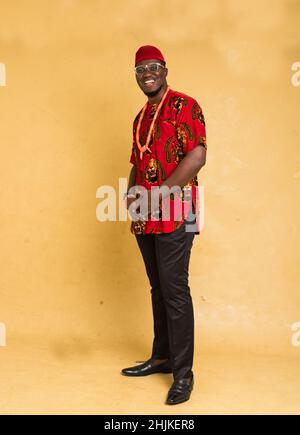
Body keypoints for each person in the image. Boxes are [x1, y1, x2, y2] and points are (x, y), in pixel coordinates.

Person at [122, 45, 207, 405]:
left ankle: (184, 374)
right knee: (158, 287)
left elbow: (198, 154)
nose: (147, 73)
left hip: (179, 208)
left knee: (175, 289)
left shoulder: (185, 106)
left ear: (165, 69)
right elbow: (136, 162)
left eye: (153, 67)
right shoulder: (141, 116)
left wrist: (159, 196)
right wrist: (130, 196)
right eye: (141, 69)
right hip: (147, 213)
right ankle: (161, 357)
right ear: (137, 75)